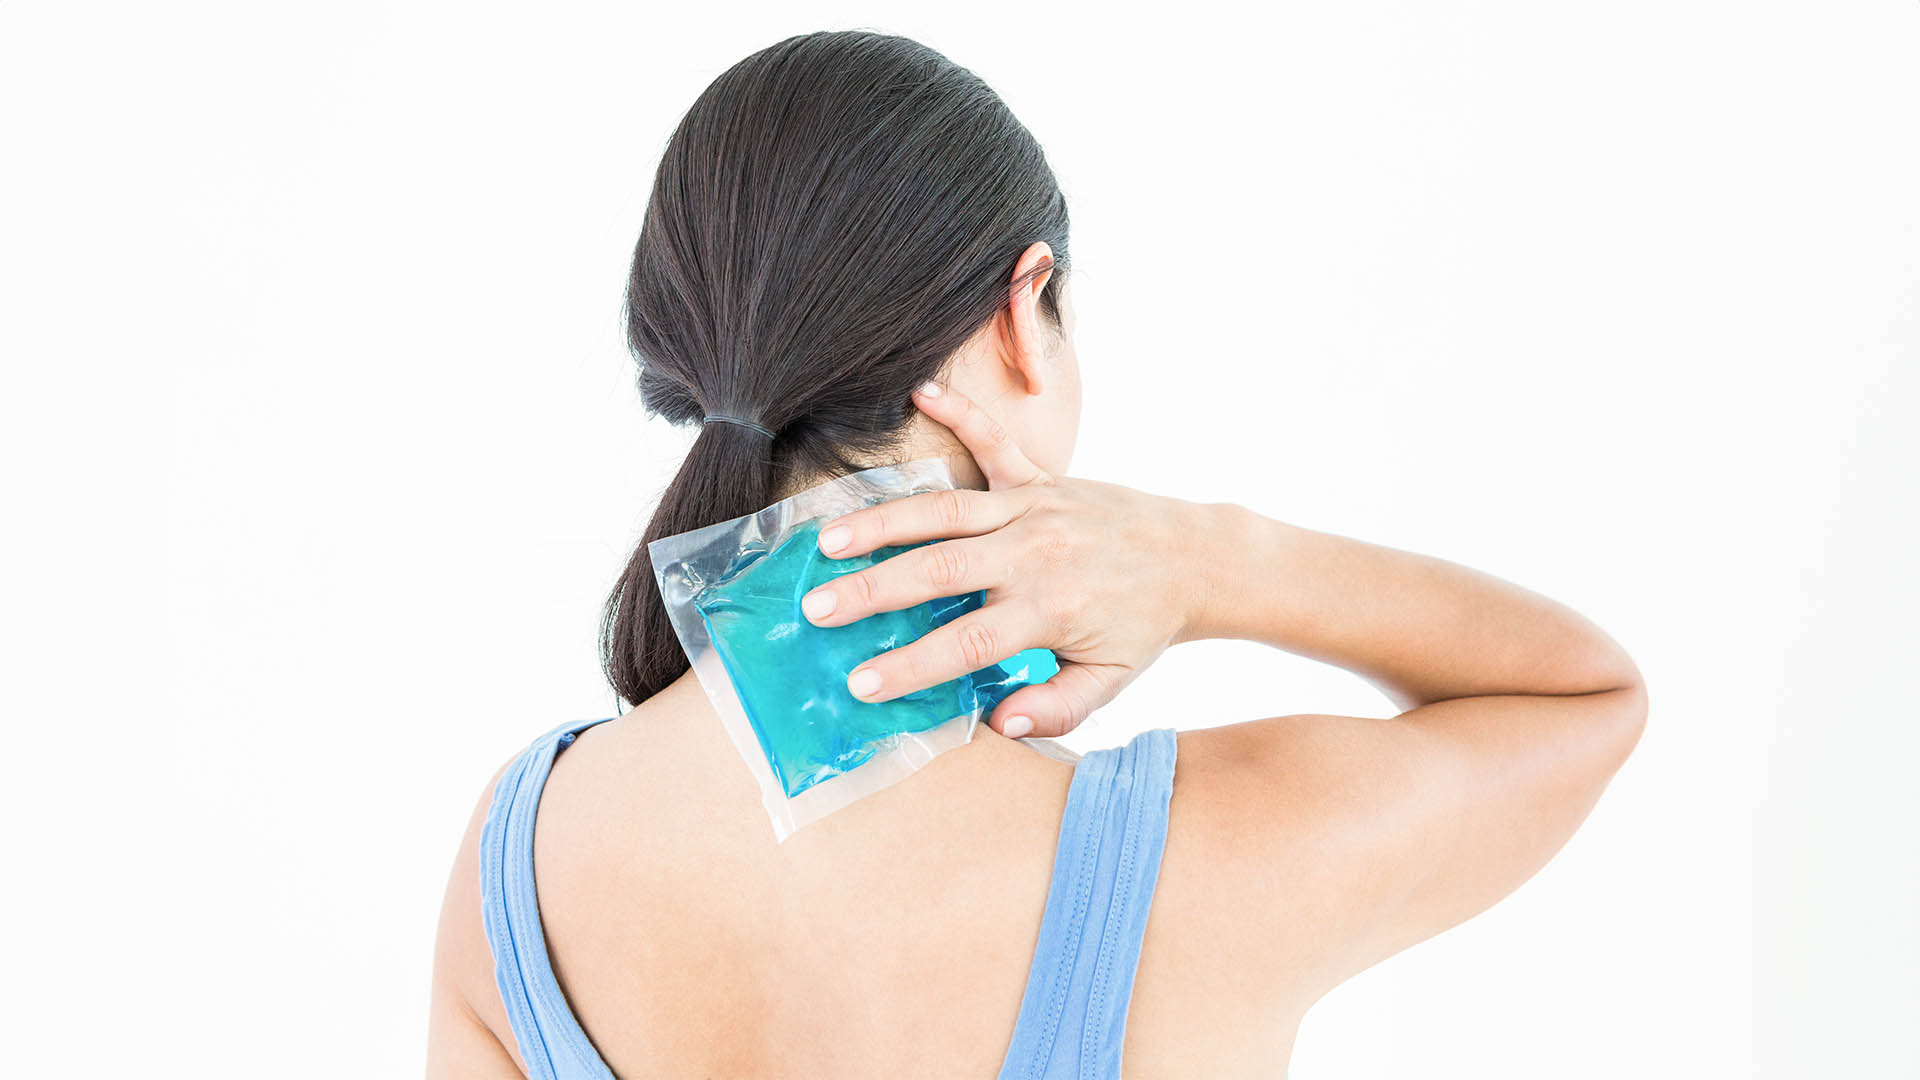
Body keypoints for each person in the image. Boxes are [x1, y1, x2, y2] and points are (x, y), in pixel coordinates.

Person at [426, 30, 1646, 1079]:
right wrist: (1208, 560)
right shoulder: (1208, 861)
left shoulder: (515, 862)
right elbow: (1583, 699)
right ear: (1025, 309)